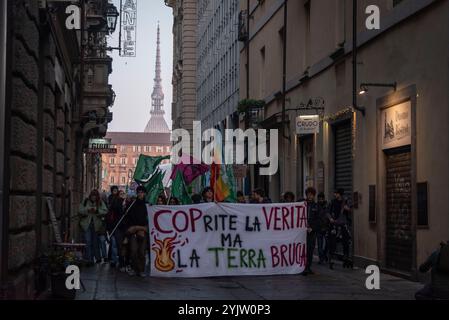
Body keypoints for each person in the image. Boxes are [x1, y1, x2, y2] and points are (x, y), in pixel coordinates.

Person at [78, 189, 108, 265]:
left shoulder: (100, 202)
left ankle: (97, 258)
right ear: (90, 196)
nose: (93, 197)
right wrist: (88, 210)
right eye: (92, 196)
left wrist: (97, 211)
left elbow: (105, 211)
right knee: (88, 241)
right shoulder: (85, 201)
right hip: (86, 225)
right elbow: (80, 210)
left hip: (96, 225)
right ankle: (89, 259)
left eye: (95, 196)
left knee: (95, 242)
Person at [125, 186, 149, 277]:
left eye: (142, 192)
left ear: (145, 193)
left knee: (142, 252)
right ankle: (135, 268)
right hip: (133, 231)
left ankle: (141, 270)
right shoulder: (132, 204)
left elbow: (149, 219)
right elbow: (127, 218)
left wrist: (142, 228)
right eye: (139, 192)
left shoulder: (147, 205)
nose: (140, 194)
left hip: (143, 231)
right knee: (134, 251)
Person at [328, 189, 352, 269]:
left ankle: (346, 258)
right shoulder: (332, 202)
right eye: (335, 193)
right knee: (333, 242)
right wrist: (330, 218)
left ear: (340, 194)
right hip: (334, 224)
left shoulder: (346, 201)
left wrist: (347, 209)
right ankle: (331, 259)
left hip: (343, 224)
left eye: (336, 193)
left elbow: (351, 210)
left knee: (345, 242)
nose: (335, 194)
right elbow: (328, 211)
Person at [302, 187, 321, 276]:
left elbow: (319, 220)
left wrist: (312, 228)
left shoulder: (316, 206)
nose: (310, 196)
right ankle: (301, 266)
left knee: (310, 249)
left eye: (311, 195)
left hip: (311, 232)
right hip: (301, 232)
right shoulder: (302, 204)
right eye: (308, 194)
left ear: (314, 195)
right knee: (302, 249)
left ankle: (307, 267)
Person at [106, 188, 125, 268]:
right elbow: (115, 211)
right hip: (114, 226)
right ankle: (114, 260)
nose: (122, 195)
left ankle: (121, 261)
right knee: (114, 244)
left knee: (120, 246)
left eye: (123, 194)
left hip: (122, 227)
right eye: (120, 194)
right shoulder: (116, 202)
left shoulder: (127, 203)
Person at [316, 192, 331, 265]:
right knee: (320, 245)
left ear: (323, 198)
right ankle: (321, 258)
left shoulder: (327, 205)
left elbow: (329, 214)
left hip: (326, 227)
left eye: (322, 199)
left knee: (328, 244)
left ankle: (324, 255)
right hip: (319, 228)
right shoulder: (316, 206)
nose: (320, 200)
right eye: (319, 199)